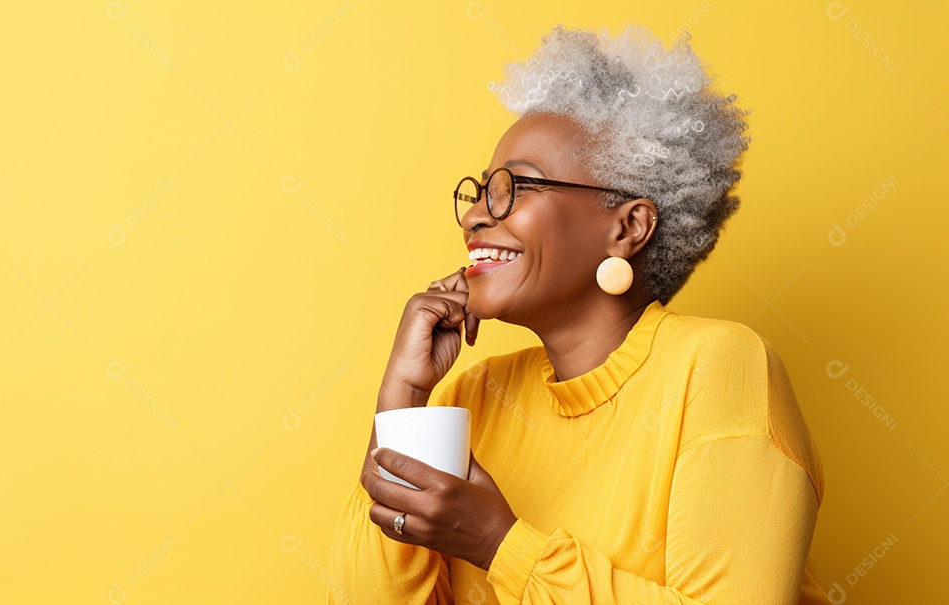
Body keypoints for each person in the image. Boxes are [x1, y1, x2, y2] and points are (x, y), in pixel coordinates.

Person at [328, 24, 829, 604]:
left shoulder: (719, 368)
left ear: (627, 227)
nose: (475, 218)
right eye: (481, 191)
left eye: (516, 188)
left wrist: (499, 545)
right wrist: (403, 402)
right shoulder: (474, 394)